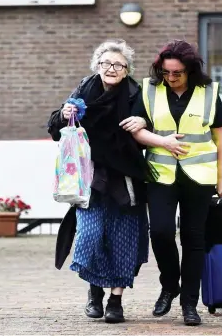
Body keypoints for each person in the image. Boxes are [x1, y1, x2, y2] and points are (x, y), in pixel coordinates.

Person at [48, 39, 156, 324]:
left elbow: (152, 120)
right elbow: (55, 124)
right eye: (106, 63)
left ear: (126, 69)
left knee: (123, 241)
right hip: (92, 179)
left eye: (118, 65)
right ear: (97, 65)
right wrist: (64, 114)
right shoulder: (84, 90)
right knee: (91, 235)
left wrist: (144, 123)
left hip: (126, 179)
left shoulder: (137, 94)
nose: (111, 68)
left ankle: (116, 301)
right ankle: (94, 291)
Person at [131, 39, 222, 326]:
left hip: (200, 176)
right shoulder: (149, 90)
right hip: (160, 174)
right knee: (161, 232)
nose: (171, 78)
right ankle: (170, 284)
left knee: (193, 239)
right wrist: (160, 141)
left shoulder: (209, 93)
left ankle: (190, 303)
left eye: (177, 73)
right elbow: (137, 131)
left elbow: (220, 138)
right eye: (166, 73)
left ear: (190, 70)